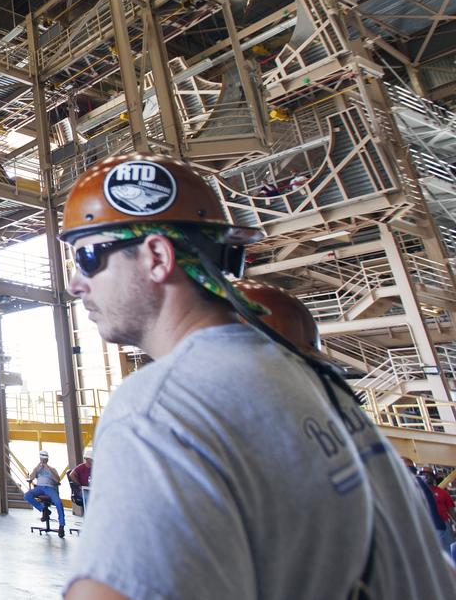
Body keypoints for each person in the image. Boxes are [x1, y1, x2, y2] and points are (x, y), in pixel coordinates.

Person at [62, 153, 456, 599]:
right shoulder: (318, 385)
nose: (76, 283)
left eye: (87, 257)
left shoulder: (160, 408)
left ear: (156, 256)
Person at [23, 449, 66, 536]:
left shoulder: (52, 469)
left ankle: (61, 525)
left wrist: (48, 469)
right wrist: (36, 469)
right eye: (42, 459)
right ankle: (44, 510)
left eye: (45, 460)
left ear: (47, 460)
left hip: (49, 488)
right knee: (27, 495)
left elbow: (57, 480)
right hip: (39, 487)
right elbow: (31, 478)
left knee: (58, 502)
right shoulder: (38, 469)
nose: (43, 461)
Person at [67, 446, 93, 512]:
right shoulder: (81, 467)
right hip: (83, 490)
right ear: (87, 459)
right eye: (91, 458)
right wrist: (79, 485)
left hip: (92, 489)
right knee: (88, 498)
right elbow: (71, 474)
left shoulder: (95, 468)